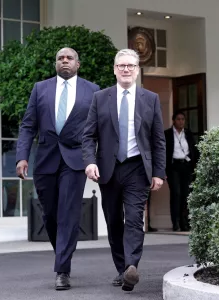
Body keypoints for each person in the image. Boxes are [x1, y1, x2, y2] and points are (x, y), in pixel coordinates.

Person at [16, 47, 100, 290]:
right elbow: (28, 125)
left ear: (78, 64)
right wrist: (22, 156)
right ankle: (62, 254)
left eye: (69, 58)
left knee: (68, 213)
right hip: (46, 159)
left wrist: (96, 160)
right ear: (56, 63)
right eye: (60, 58)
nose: (65, 61)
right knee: (50, 215)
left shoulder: (92, 91)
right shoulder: (40, 89)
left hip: (75, 161)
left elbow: (97, 129)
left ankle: (62, 269)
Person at [82, 49, 166, 292]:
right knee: (113, 221)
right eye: (121, 65)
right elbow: (88, 135)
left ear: (137, 70)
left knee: (134, 218)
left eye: (130, 65)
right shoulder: (100, 98)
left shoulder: (150, 99)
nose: (126, 69)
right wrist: (89, 162)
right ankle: (122, 268)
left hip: (138, 168)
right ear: (115, 69)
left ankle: (131, 267)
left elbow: (158, 139)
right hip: (108, 170)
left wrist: (158, 172)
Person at [164, 111, 199, 232]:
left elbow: (194, 149)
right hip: (174, 167)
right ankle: (176, 222)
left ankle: (185, 222)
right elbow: (164, 152)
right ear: (173, 120)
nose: (181, 121)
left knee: (186, 194)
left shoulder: (188, 133)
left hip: (186, 166)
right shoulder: (167, 134)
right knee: (176, 194)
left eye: (183, 119)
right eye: (178, 119)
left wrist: (195, 165)